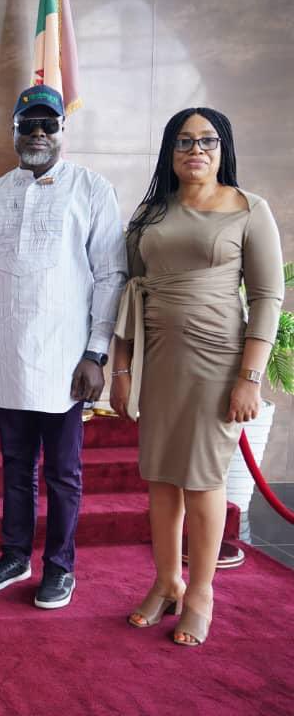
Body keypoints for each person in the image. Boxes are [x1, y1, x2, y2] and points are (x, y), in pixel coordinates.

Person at [111, 108, 284, 646]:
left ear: (223, 148)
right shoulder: (150, 214)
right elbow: (129, 293)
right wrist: (121, 369)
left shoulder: (250, 209)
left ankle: (202, 592)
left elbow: (266, 298)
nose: (196, 150)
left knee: (203, 479)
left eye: (207, 141)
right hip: (158, 361)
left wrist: (250, 377)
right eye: (185, 141)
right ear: (170, 150)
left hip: (219, 363)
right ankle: (167, 582)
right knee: (162, 477)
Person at [0, 85, 126, 609]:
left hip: (66, 361)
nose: (38, 132)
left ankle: (60, 566)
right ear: (13, 130)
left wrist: (95, 353)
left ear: (61, 131)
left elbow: (110, 276)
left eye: (48, 125)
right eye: (28, 124)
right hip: (10, 358)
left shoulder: (91, 189)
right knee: (14, 466)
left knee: (62, 474)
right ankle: (15, 555)